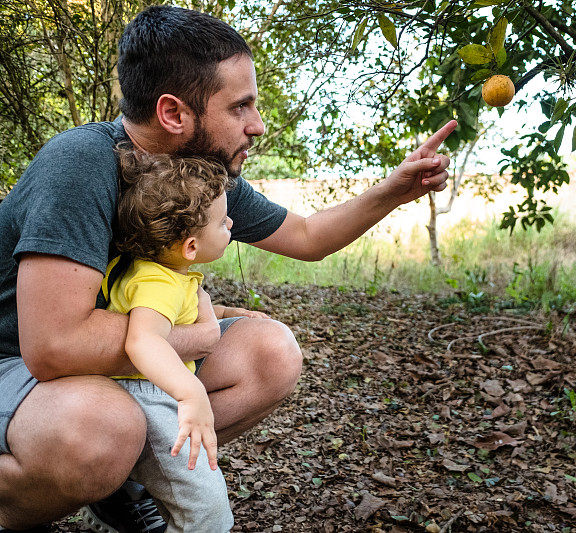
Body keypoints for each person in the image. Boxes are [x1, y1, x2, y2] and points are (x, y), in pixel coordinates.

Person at [0, 5, 455, 532]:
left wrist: (395, 190)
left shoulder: (201, 177)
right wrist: (198, 334)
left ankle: (130, 482)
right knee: (104, 430)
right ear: (173, 114)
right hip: (17, 364)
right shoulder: (80, 165)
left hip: (106, 362)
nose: (256, 126)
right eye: (241, 107)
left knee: (270, 354)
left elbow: (307, 237)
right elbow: (54, 347)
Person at [81, 147, 254, 532]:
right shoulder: (158, 282)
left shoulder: (160, 271)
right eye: (223, 222)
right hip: (149, 396)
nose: (231, 226)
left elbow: (178, 308)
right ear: (190, 246)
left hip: (148, 391)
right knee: (206, 511)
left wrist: (227, 314)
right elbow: (143, 341)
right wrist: (190, 393)